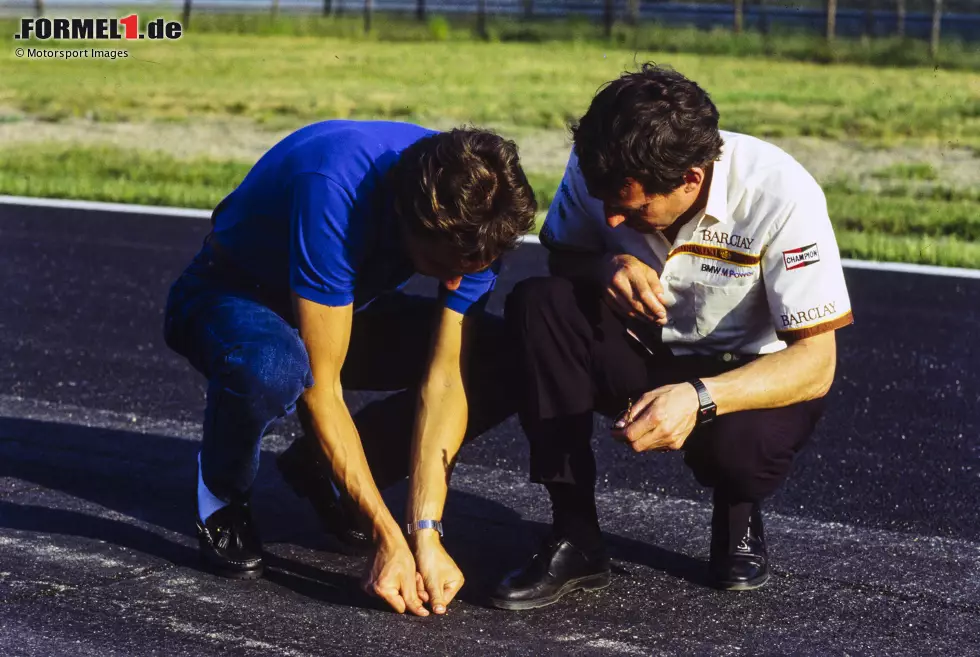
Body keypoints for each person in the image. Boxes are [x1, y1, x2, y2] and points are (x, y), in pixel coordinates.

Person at [493, 64, 854, 610]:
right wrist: (602, 267)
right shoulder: (603, 163)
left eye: (632, 207)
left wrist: (701, 398)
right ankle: (574, 534)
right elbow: (563, 251)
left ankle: (737, 509)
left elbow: (816, 362)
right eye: (604, 200)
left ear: (690, 177)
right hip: (644, 345)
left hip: (742, 369)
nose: (611, 218)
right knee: (538, 304)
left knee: (743, 453)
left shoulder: (782, 193)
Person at [163, 119, 536, 617]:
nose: (456, 279)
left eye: (471, 266)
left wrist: (423, 531)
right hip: (230, 295)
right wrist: (387, 537)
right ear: (408, 218)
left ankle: (324, 473)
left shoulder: (476, 213)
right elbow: (324, 388)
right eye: (446, 264)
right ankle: (221, 494)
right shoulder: (335, 188)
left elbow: (446, 379)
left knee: (506, 354)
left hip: (341, 308)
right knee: (275, 367)